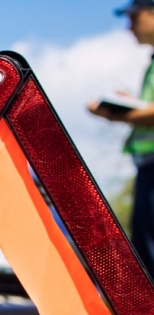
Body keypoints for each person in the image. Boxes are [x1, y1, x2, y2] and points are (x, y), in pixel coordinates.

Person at [90, 0, 154, 277]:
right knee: (144, 248)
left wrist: (119, 114)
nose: (129, 27)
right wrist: (133, 105)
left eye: (134, 17)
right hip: (147, 165)